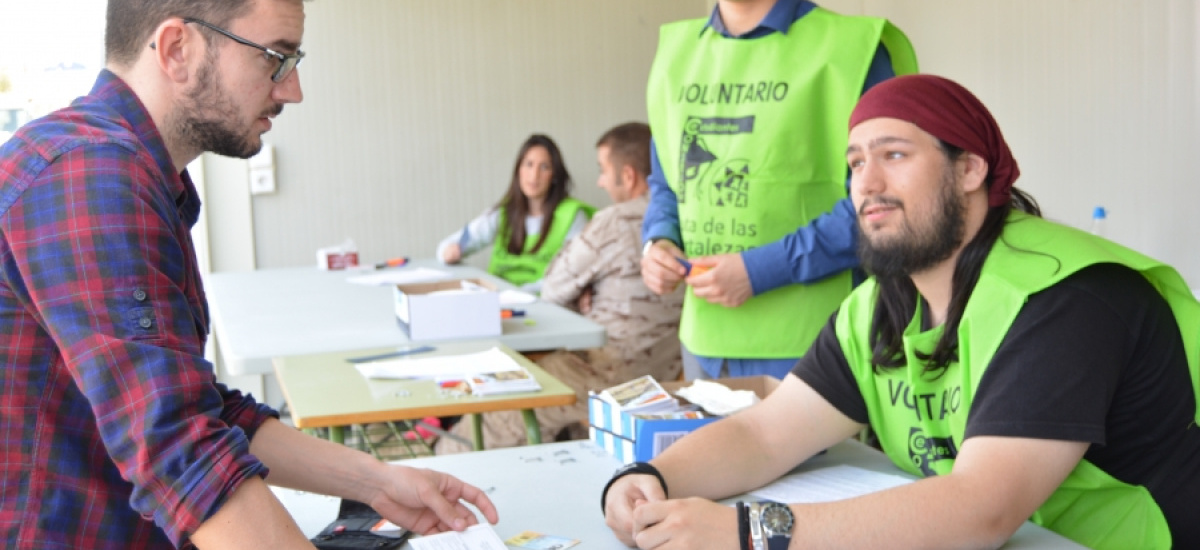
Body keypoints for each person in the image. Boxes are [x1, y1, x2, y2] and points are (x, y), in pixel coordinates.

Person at [602, 74, 1200, 549]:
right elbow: (765, 433)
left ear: (970, 169)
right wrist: (648, 479)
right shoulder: (878, 305)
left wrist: (749, 534)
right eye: (857, 162)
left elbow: (981, 509)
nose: (867, 182)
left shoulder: (1063, 298)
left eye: (894, 154)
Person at [0, 1, 497, 548]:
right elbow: (179, 450)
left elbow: (197, 405)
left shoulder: (129, 172)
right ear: (176, 50)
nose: (292, 90)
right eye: (275, 59)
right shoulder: (88, 176)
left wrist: (379, 483)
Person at [640, 0, 918, 380]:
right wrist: (658, 241)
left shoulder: (853, 50)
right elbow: (668, 182)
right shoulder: (676, 54)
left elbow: (886, 201)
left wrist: (760, 270)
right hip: (702, 342)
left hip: (818, 341)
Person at [436, 122, 684, 453]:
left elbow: (553, 289)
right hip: (661, 374)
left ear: (628, 176)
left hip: (600, 372)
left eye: (603, 170)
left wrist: (585, 291)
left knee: (483, 417)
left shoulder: (613, 221)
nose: (599, 181)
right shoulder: (686, 221)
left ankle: (437, 465)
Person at [437, 134, 595, 292]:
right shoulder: (502, 213)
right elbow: (449, 246)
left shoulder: (573, 216)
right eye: (529, 164)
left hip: (545, 303)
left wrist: (518, 292)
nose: (534, 175)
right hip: (499, 301)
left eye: (544, 167)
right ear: (518, 169)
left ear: (554, 175)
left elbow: (573, 274)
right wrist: (450, 251)